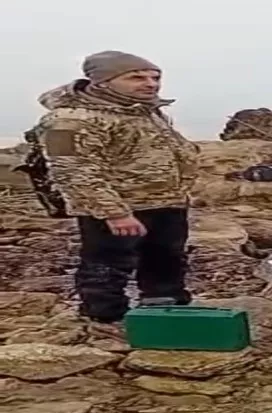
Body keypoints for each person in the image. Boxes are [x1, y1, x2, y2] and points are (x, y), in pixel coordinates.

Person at [31, 50, 199, 335]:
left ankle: (165, 311)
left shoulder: (145, 111)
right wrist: (114, 213)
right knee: (108, 264)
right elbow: (74, 170)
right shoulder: (72, 119)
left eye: (155, 77)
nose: (151, 84)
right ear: (102, 81)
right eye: (136, 77)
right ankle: (104, 320)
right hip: (115, 208)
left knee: (166, 258)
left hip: (166, 202)